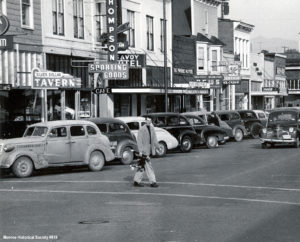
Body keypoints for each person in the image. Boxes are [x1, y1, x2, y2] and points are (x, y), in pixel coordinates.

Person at [133, 118, 161, 188]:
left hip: (149, 150)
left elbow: (154, 139)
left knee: (142, 165)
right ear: (145, 121)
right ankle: (153, 182)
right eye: (148, 120)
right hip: (144, 151)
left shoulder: (152, 128)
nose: (149, 121)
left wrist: (158, 147)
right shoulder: (142, 129)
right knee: (149, 166)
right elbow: (139, 141)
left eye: (150, 120)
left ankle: (136, 181)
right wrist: (140, 151)